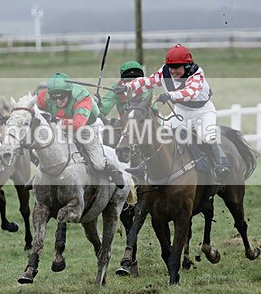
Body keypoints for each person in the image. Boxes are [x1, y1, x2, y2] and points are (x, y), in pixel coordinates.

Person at [114, 44, 230, 181]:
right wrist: (127, 86)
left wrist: (169, 95)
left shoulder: (197, 74)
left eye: (177, 67)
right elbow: (148, 81)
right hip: (181, 110)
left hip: (203, 112)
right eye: (171, 67)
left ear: (186, 66)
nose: (173, 71)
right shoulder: (165, 71)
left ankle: (220, 166)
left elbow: (190, 93)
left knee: (207, 137)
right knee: (161, 134)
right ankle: (143, 166)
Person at [38, 72, 125, 188]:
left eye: (62, 97)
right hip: (60, 127)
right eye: (54, 98)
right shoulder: (44, 96)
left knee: (98, 164)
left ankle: (111, 167)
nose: (58, 101)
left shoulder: (82, 97)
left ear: (69, 93)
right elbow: (36, 110)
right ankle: (39, 175)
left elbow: (77, 124)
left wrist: (54, 119)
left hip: (86, 127)